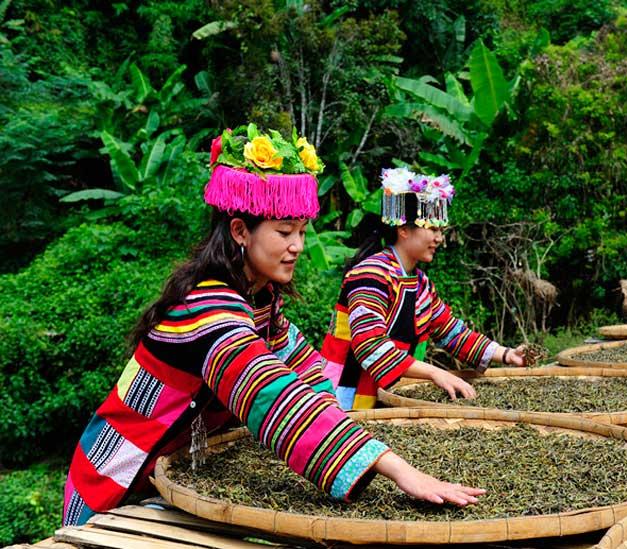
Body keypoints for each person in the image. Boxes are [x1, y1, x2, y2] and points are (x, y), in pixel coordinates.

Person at [62, 127, 484, 527]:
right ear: (241, 231)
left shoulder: (261, 301)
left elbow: (305, 370)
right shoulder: (207, 310)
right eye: (284, 232)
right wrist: (398, 470)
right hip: (120, 478)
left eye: (301, 231)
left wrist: (362, 442)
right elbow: (272, 392)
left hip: (183, 467)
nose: (298, 246)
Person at [321, 167, 526, 410]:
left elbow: (452, 332)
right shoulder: (371, 274)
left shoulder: (421, 284)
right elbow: (369, 344)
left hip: (390, 394)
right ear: (404, 230)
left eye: (441, 230)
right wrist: (434, 373)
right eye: (432, 229)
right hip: (347, 396)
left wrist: (506, 354)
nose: (439, 238)